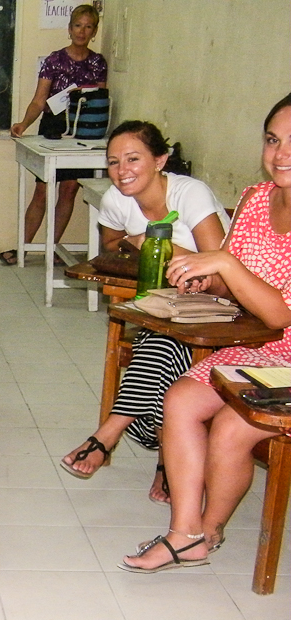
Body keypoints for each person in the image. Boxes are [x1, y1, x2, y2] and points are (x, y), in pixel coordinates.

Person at [120, 94, 291, 574]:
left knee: (233, 427)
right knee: (180, 400)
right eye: (273, 140)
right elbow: (232, 284)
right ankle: (184, 529)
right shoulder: (256, 199)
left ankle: (206, 533)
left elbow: (280, 313)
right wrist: (204, 279)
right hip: (254, 346)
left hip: (283, 352)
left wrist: (224, 265)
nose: (280, 154)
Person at [60, 121, 229, 503]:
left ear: (160, 160)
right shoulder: (116, 199)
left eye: (133, 159)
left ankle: (108, 434)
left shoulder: (189, 194)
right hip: (167, 306)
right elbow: (112, 246)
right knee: (163, 342)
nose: (122, 171)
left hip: (224, 306)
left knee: (162, 341)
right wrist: (136, 245)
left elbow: (221, 267)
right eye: (113, 161)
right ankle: (166, 459)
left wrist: (156, 245)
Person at [4, 4, 106, 266]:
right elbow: (39, 100)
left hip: (83, 129)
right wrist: (24, 123)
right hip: (54, 127)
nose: (82, 31)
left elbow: (100, 100)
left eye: (88, 27)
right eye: (78, 25)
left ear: (94, 31)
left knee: (69, 189)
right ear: (69, 28)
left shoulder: (97, 63)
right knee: (42, 189)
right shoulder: (54, 60)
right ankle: (22, 247)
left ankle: (52, 247)